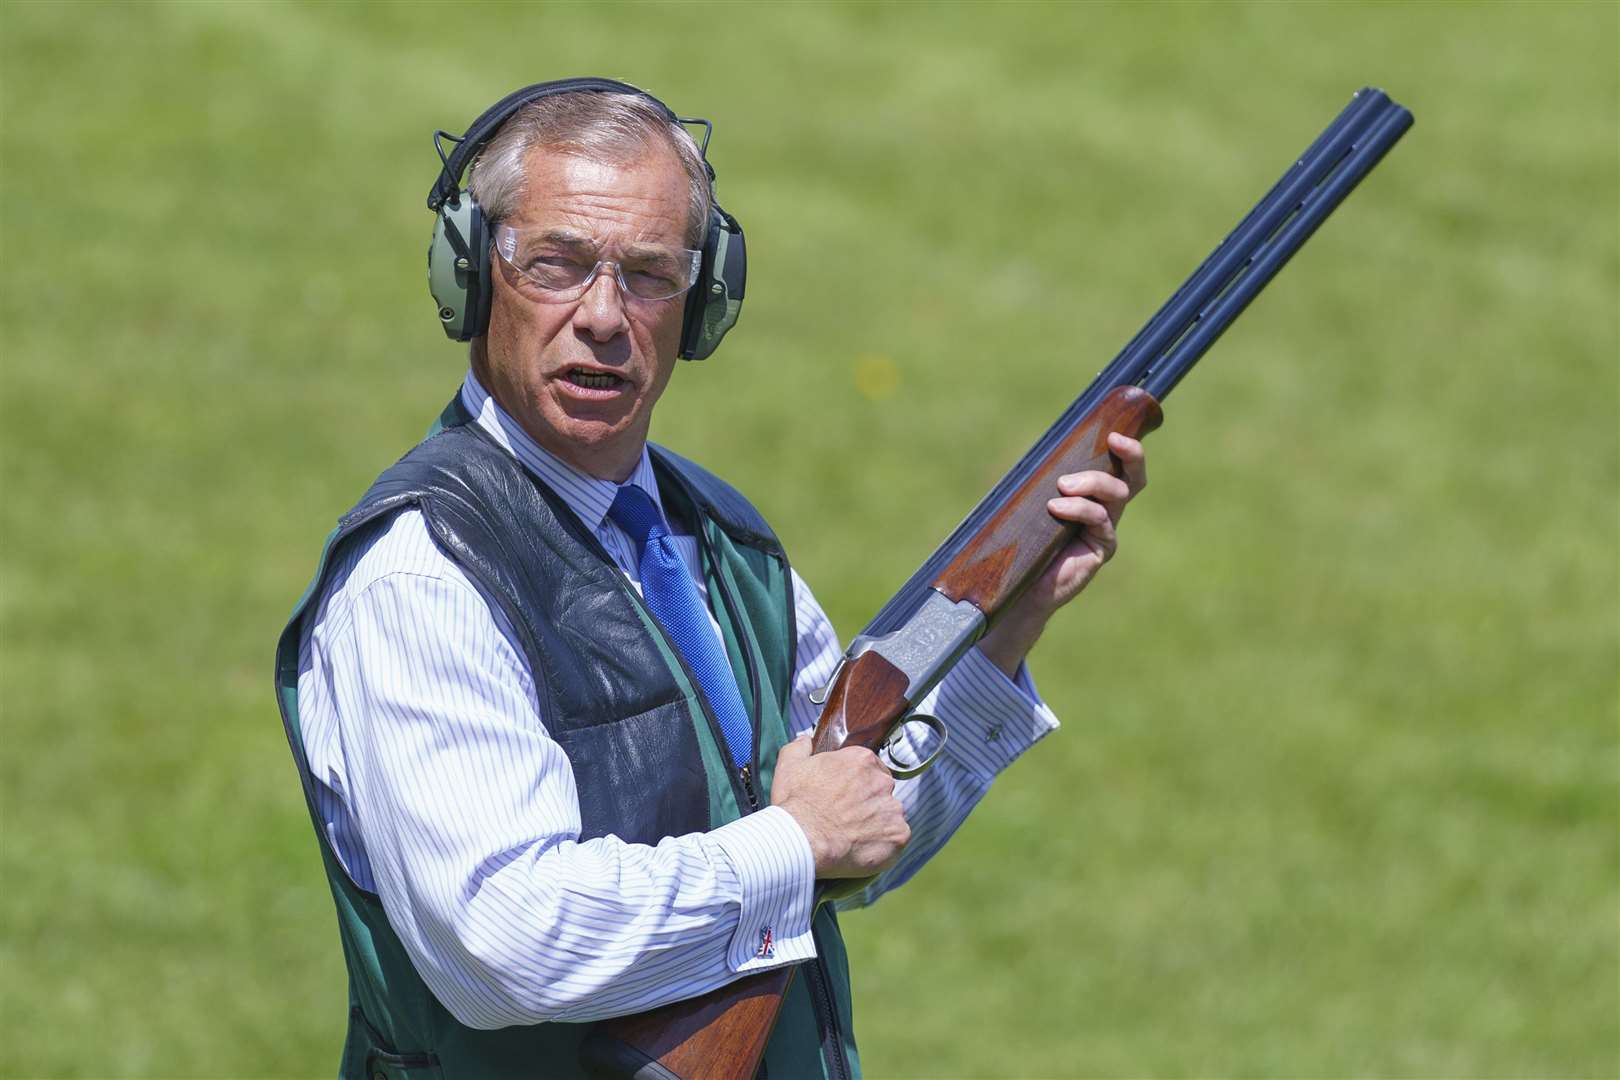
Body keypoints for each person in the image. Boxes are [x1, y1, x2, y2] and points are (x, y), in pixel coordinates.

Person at [273, 79, 1146, 1080]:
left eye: (649, 276)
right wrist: (787, 845)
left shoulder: (724, 543)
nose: (603, 315)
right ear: (471, 273)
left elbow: (857, 829)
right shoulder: (423, 575)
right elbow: (506, 944)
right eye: (555, 265)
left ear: (703, 302)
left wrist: (1003, 633)